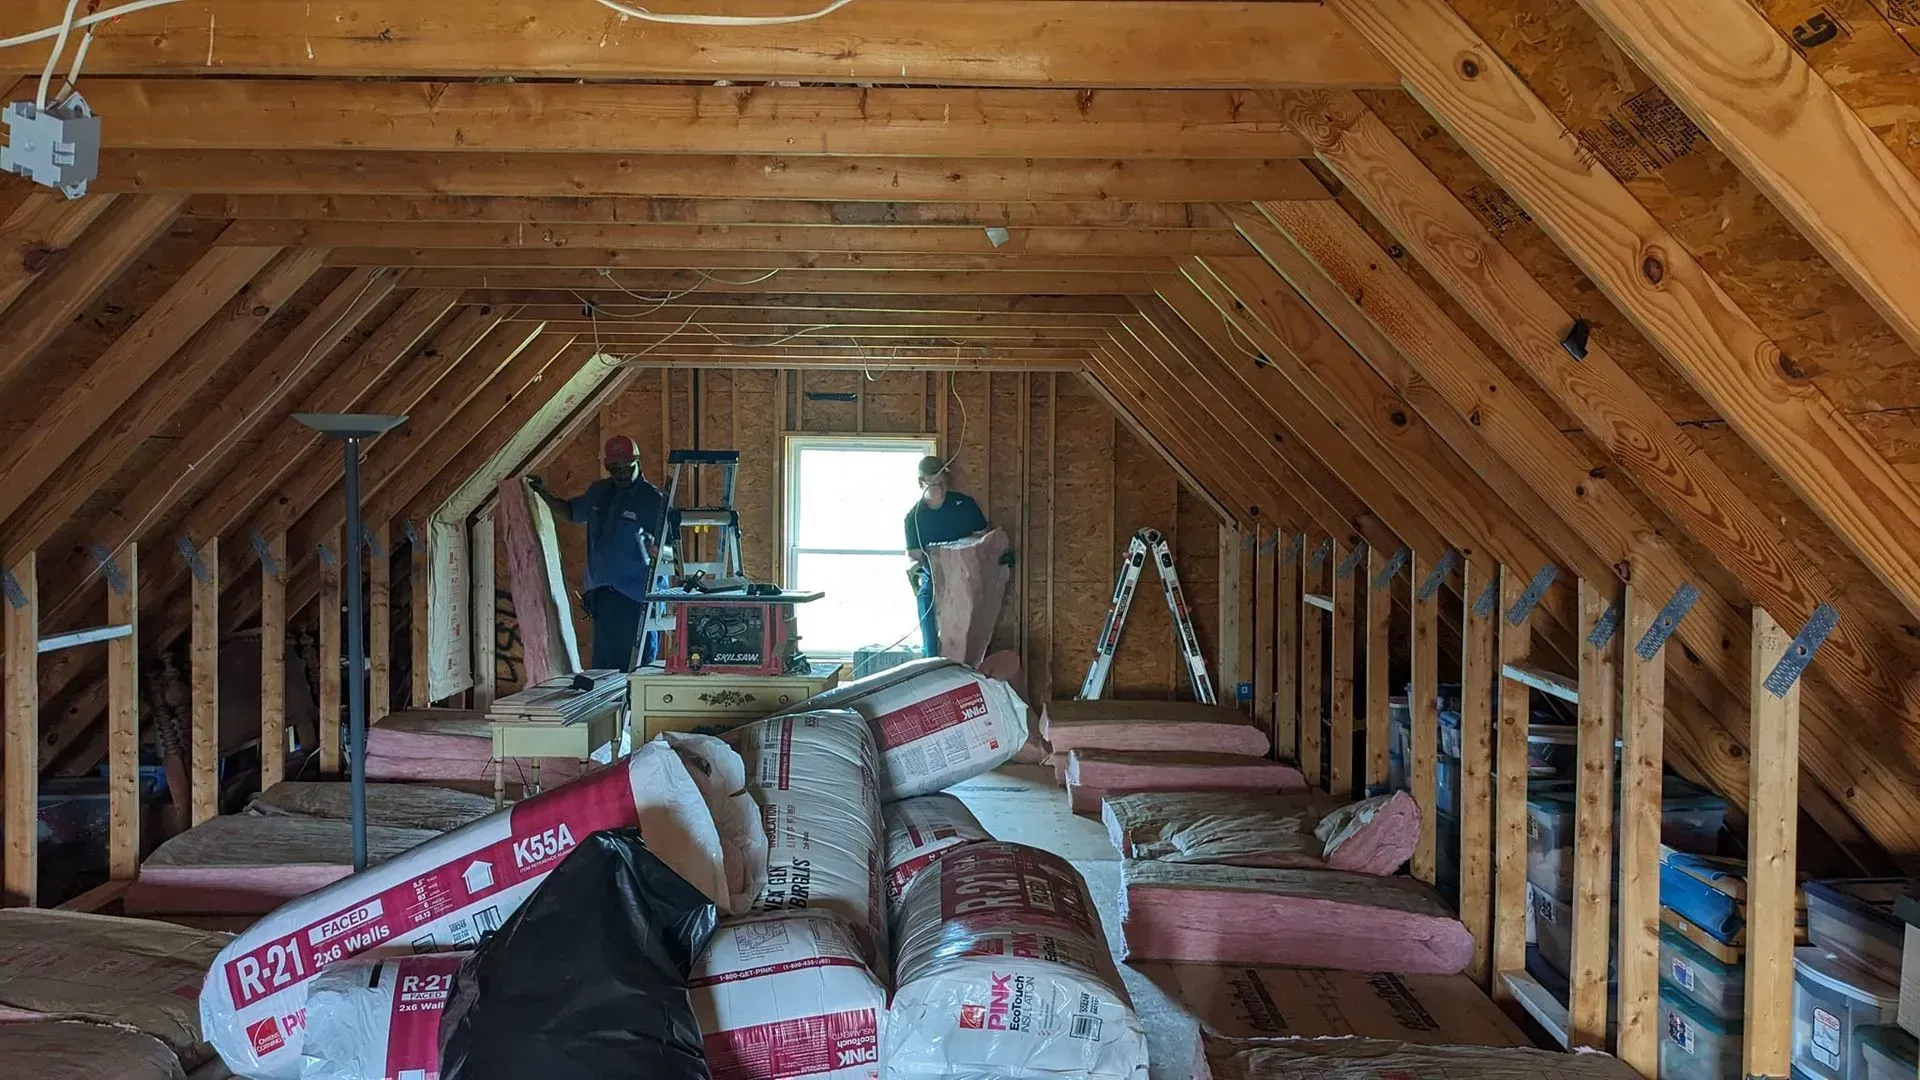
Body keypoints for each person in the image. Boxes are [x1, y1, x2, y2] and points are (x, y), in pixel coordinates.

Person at [527, 436, 676, 672]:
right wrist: (541, 493)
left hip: (638, 600)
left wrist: (659, 551)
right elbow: (571, 512)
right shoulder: (599, 493)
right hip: (603, 597)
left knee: (637, 671)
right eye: (616, 468)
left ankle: (635, 709)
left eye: (627, 467)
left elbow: (673, 552)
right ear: (608, 467)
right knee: (604, 672)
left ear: (637, 461)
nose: (622, 474)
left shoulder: (653, 501)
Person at [904, 455, 990, 658]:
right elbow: (915, 554)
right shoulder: (914, 517)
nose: (940, 488)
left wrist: (960, 551)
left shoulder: (963, 504)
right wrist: (939, 558)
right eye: (934, 484)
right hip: (933, 581)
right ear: (921, 483)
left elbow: (984, 536)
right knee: (933, 644)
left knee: (969, 644)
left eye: (943, 482)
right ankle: (933, 665)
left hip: (965, 577)